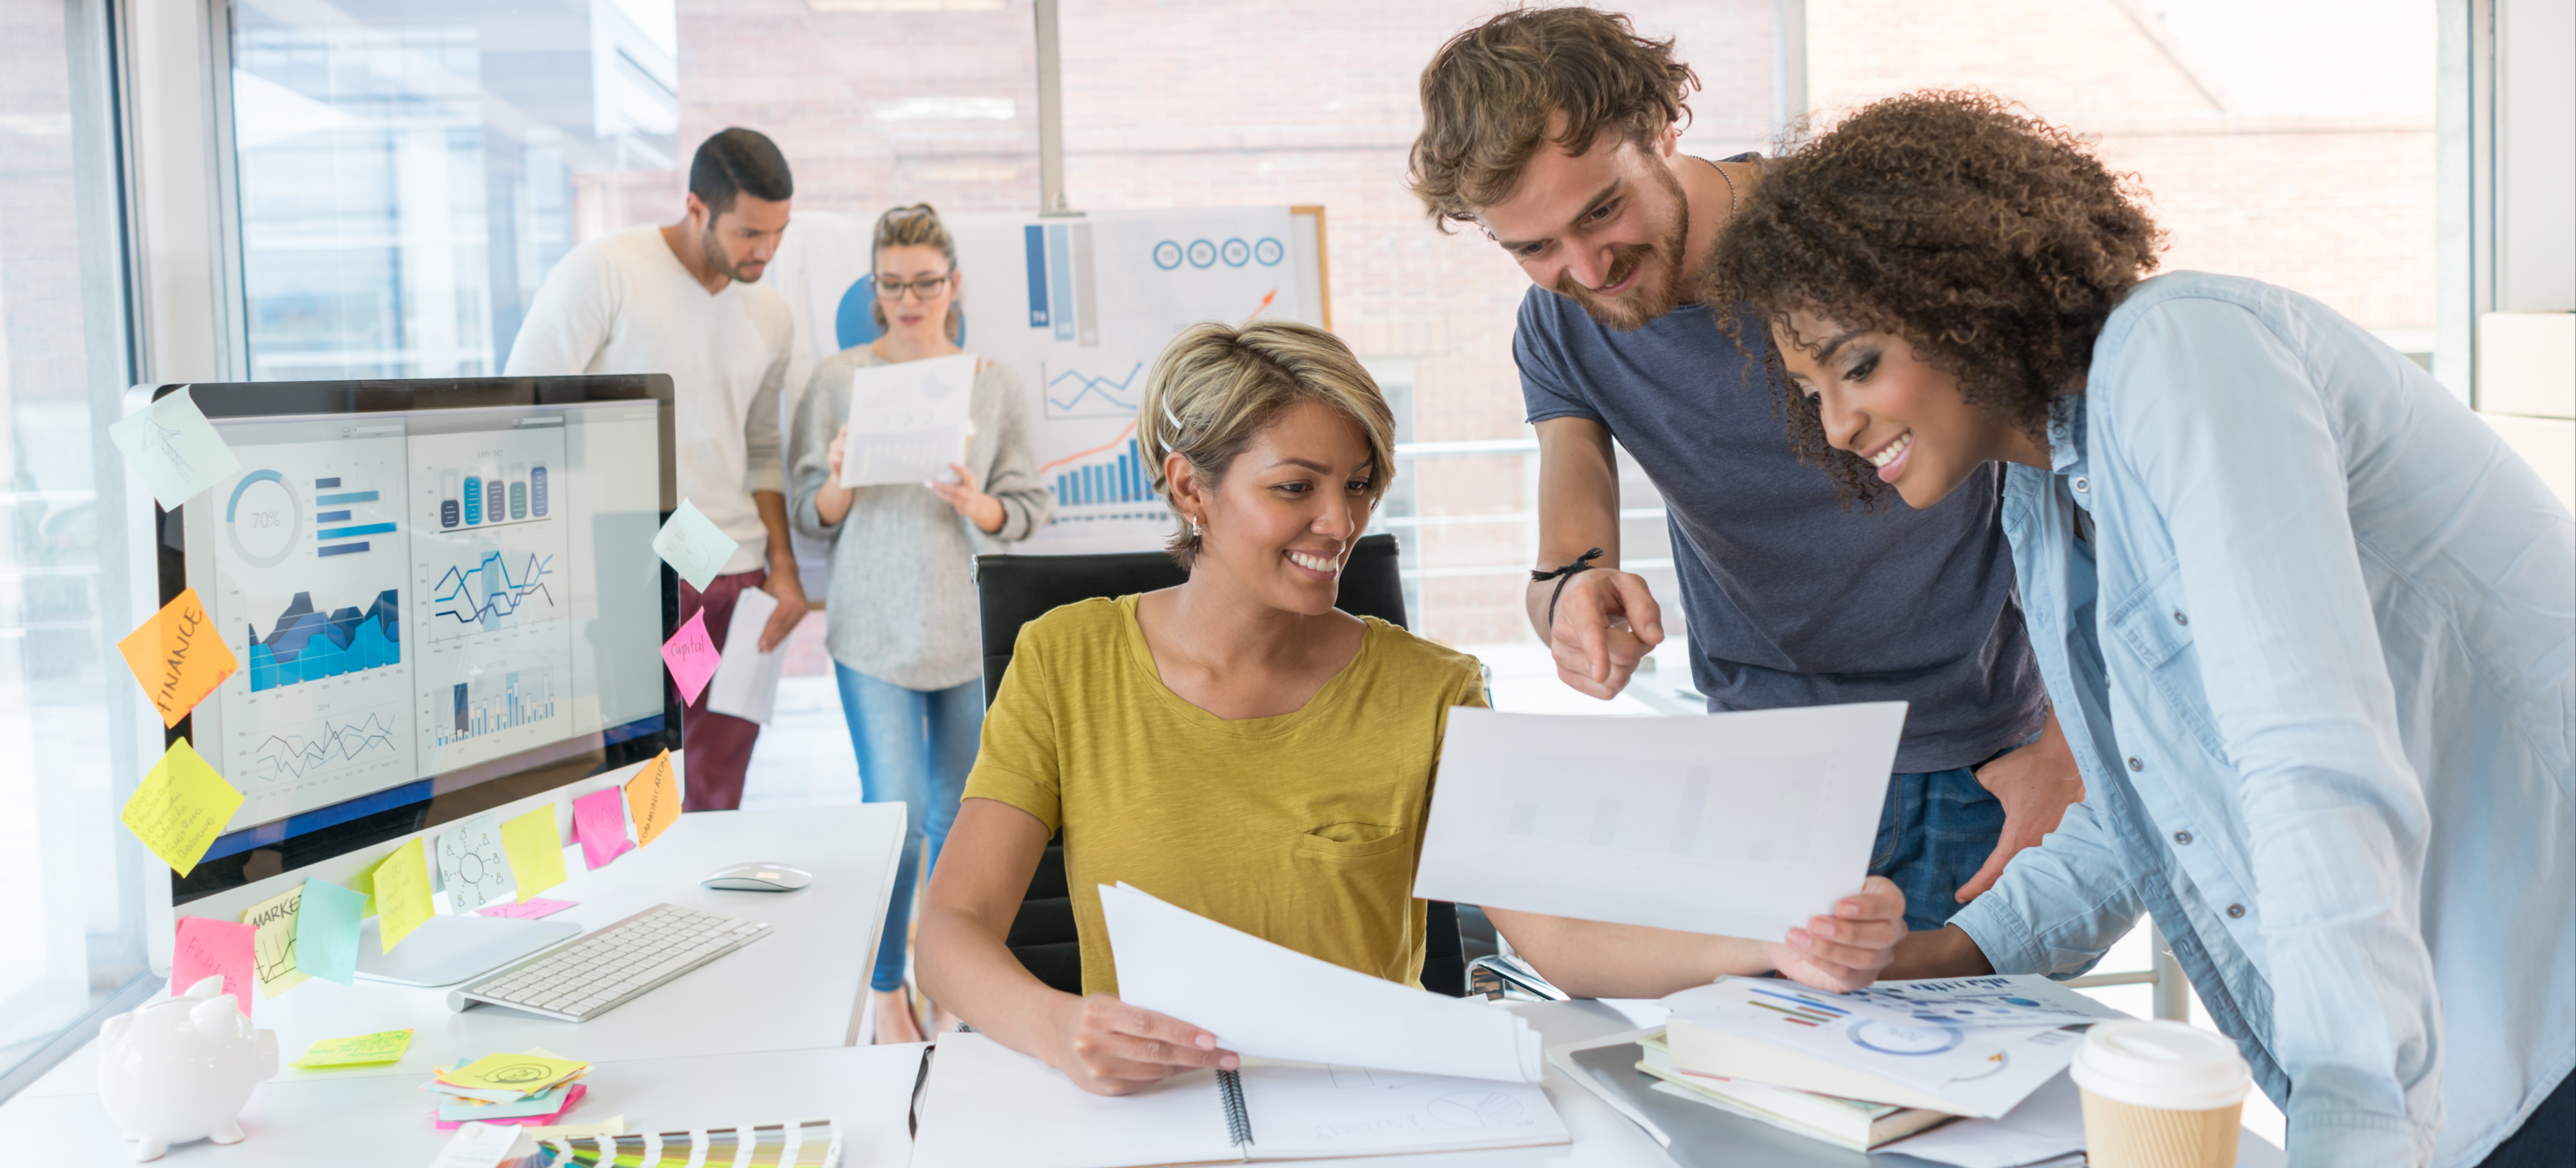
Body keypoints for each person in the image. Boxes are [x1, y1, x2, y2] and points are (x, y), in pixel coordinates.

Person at [1707, 90, 2574, 1168]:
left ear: (1962, 295)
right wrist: (1937, 955)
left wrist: (2348, 1123)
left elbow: (2311, 753)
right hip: (2471, 1064)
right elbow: (2146, 801)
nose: (1837, 425)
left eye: (1858, 363)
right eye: (1809, 389)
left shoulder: (2184, 354)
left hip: (2541, 1016)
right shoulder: (2044, 497)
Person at [921, 320, 1795, 1097]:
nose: (1341, 523)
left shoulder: (1433, 689)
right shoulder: (1064, 661)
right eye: (1296, 489)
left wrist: (1768, 945)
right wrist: (1057, 1030)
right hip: (1162, 1112)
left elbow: (1557, 939)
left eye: (1360, 483)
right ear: (1191, 489)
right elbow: (952, 932)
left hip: (1370, 1113)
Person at [1401, 7, 2077, 994]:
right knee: (1778, 1103)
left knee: (1963, 1111)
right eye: (1534, 247)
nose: (1585, 271)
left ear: (1664, 127)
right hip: (1767, 776)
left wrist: (2070, 746)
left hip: (1978, 757)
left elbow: (2079, 477)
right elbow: (1563, 559)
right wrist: (1575, 603)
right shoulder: (1560, 326)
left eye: (1601, 212)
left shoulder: (1852, 238)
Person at [788, 203, 1053, 1044]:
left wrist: (976, 500)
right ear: (874, 287)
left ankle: (956, 980)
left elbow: (1028, 509)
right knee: (895, 819)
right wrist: (839, 479)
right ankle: (885, 987)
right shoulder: (837, 380)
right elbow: (807, 512)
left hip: (965, 630)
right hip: (872, 628)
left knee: (963, 819)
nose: (910, 300)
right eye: (893, 285)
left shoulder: (993, 382)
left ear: (954, 285)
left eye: (926, 284)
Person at [506, 127, 806, 812]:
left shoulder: (772, 314)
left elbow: (761, 449)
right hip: (635, 572)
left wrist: (784, 567)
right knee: (630, 783)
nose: (765, 251)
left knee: (715, 786)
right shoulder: (607, 272)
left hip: (735, 580)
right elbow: (524, 411)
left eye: (779, 233)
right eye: (749, 233)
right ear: (697, 208)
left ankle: (702, 920)